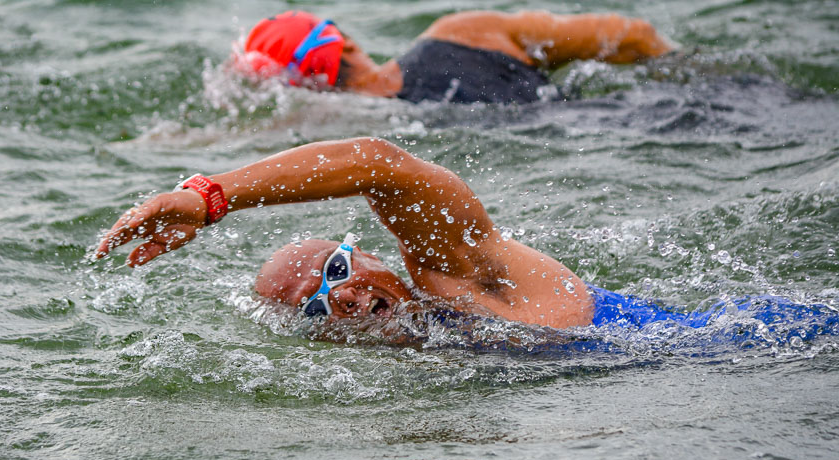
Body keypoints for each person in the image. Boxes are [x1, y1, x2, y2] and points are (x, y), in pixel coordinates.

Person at [94, 137, 839, 344]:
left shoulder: (455, 274)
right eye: (317, 306)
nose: (344, 295)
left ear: (373, 253)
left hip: (740, 344)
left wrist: (211, 194)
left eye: (337, 268)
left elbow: (380, 163)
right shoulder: (413, 355)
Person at [231, 10, 675, 104]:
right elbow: (631, 34)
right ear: (344, 43)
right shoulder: (462, 32)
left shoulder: (339, 127)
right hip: (637, 109)